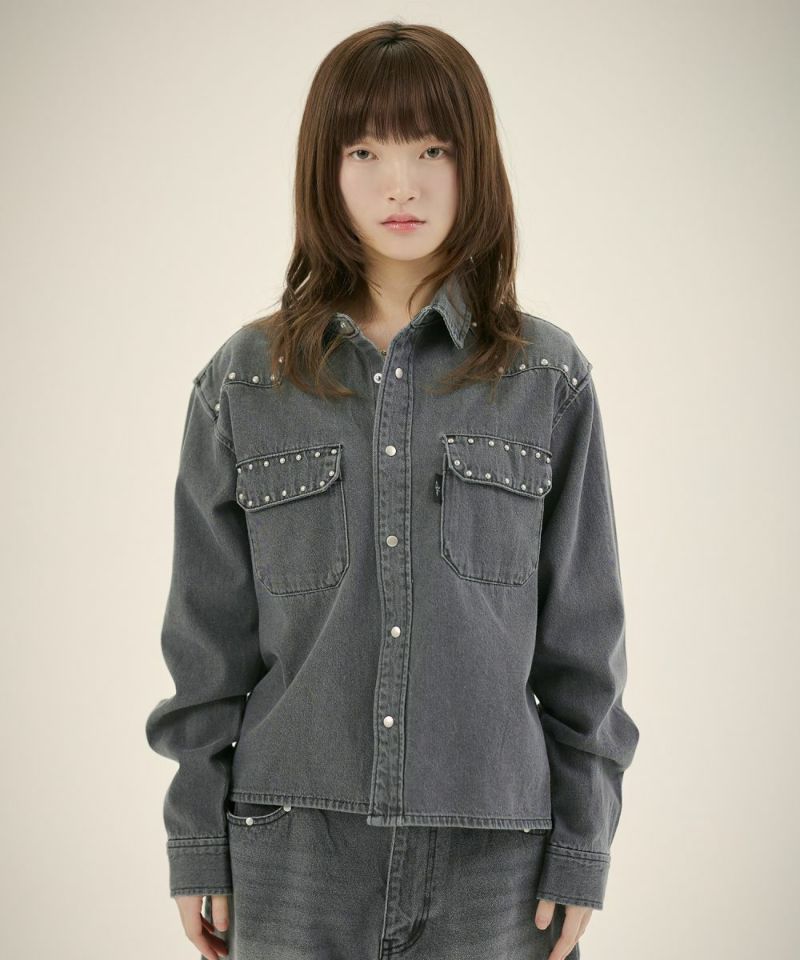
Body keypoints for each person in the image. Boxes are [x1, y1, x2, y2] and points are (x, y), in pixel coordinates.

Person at [145, 20, 640, 960]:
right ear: (324, 170)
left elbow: (585, 646)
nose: (400, 184)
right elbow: (205, 644)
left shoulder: (547, 380)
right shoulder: (245, 382)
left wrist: (583, 847)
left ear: (474, 163)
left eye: (432, 150)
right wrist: (195, 838)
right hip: (292, 853)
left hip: (497, 862)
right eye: (365, 151)